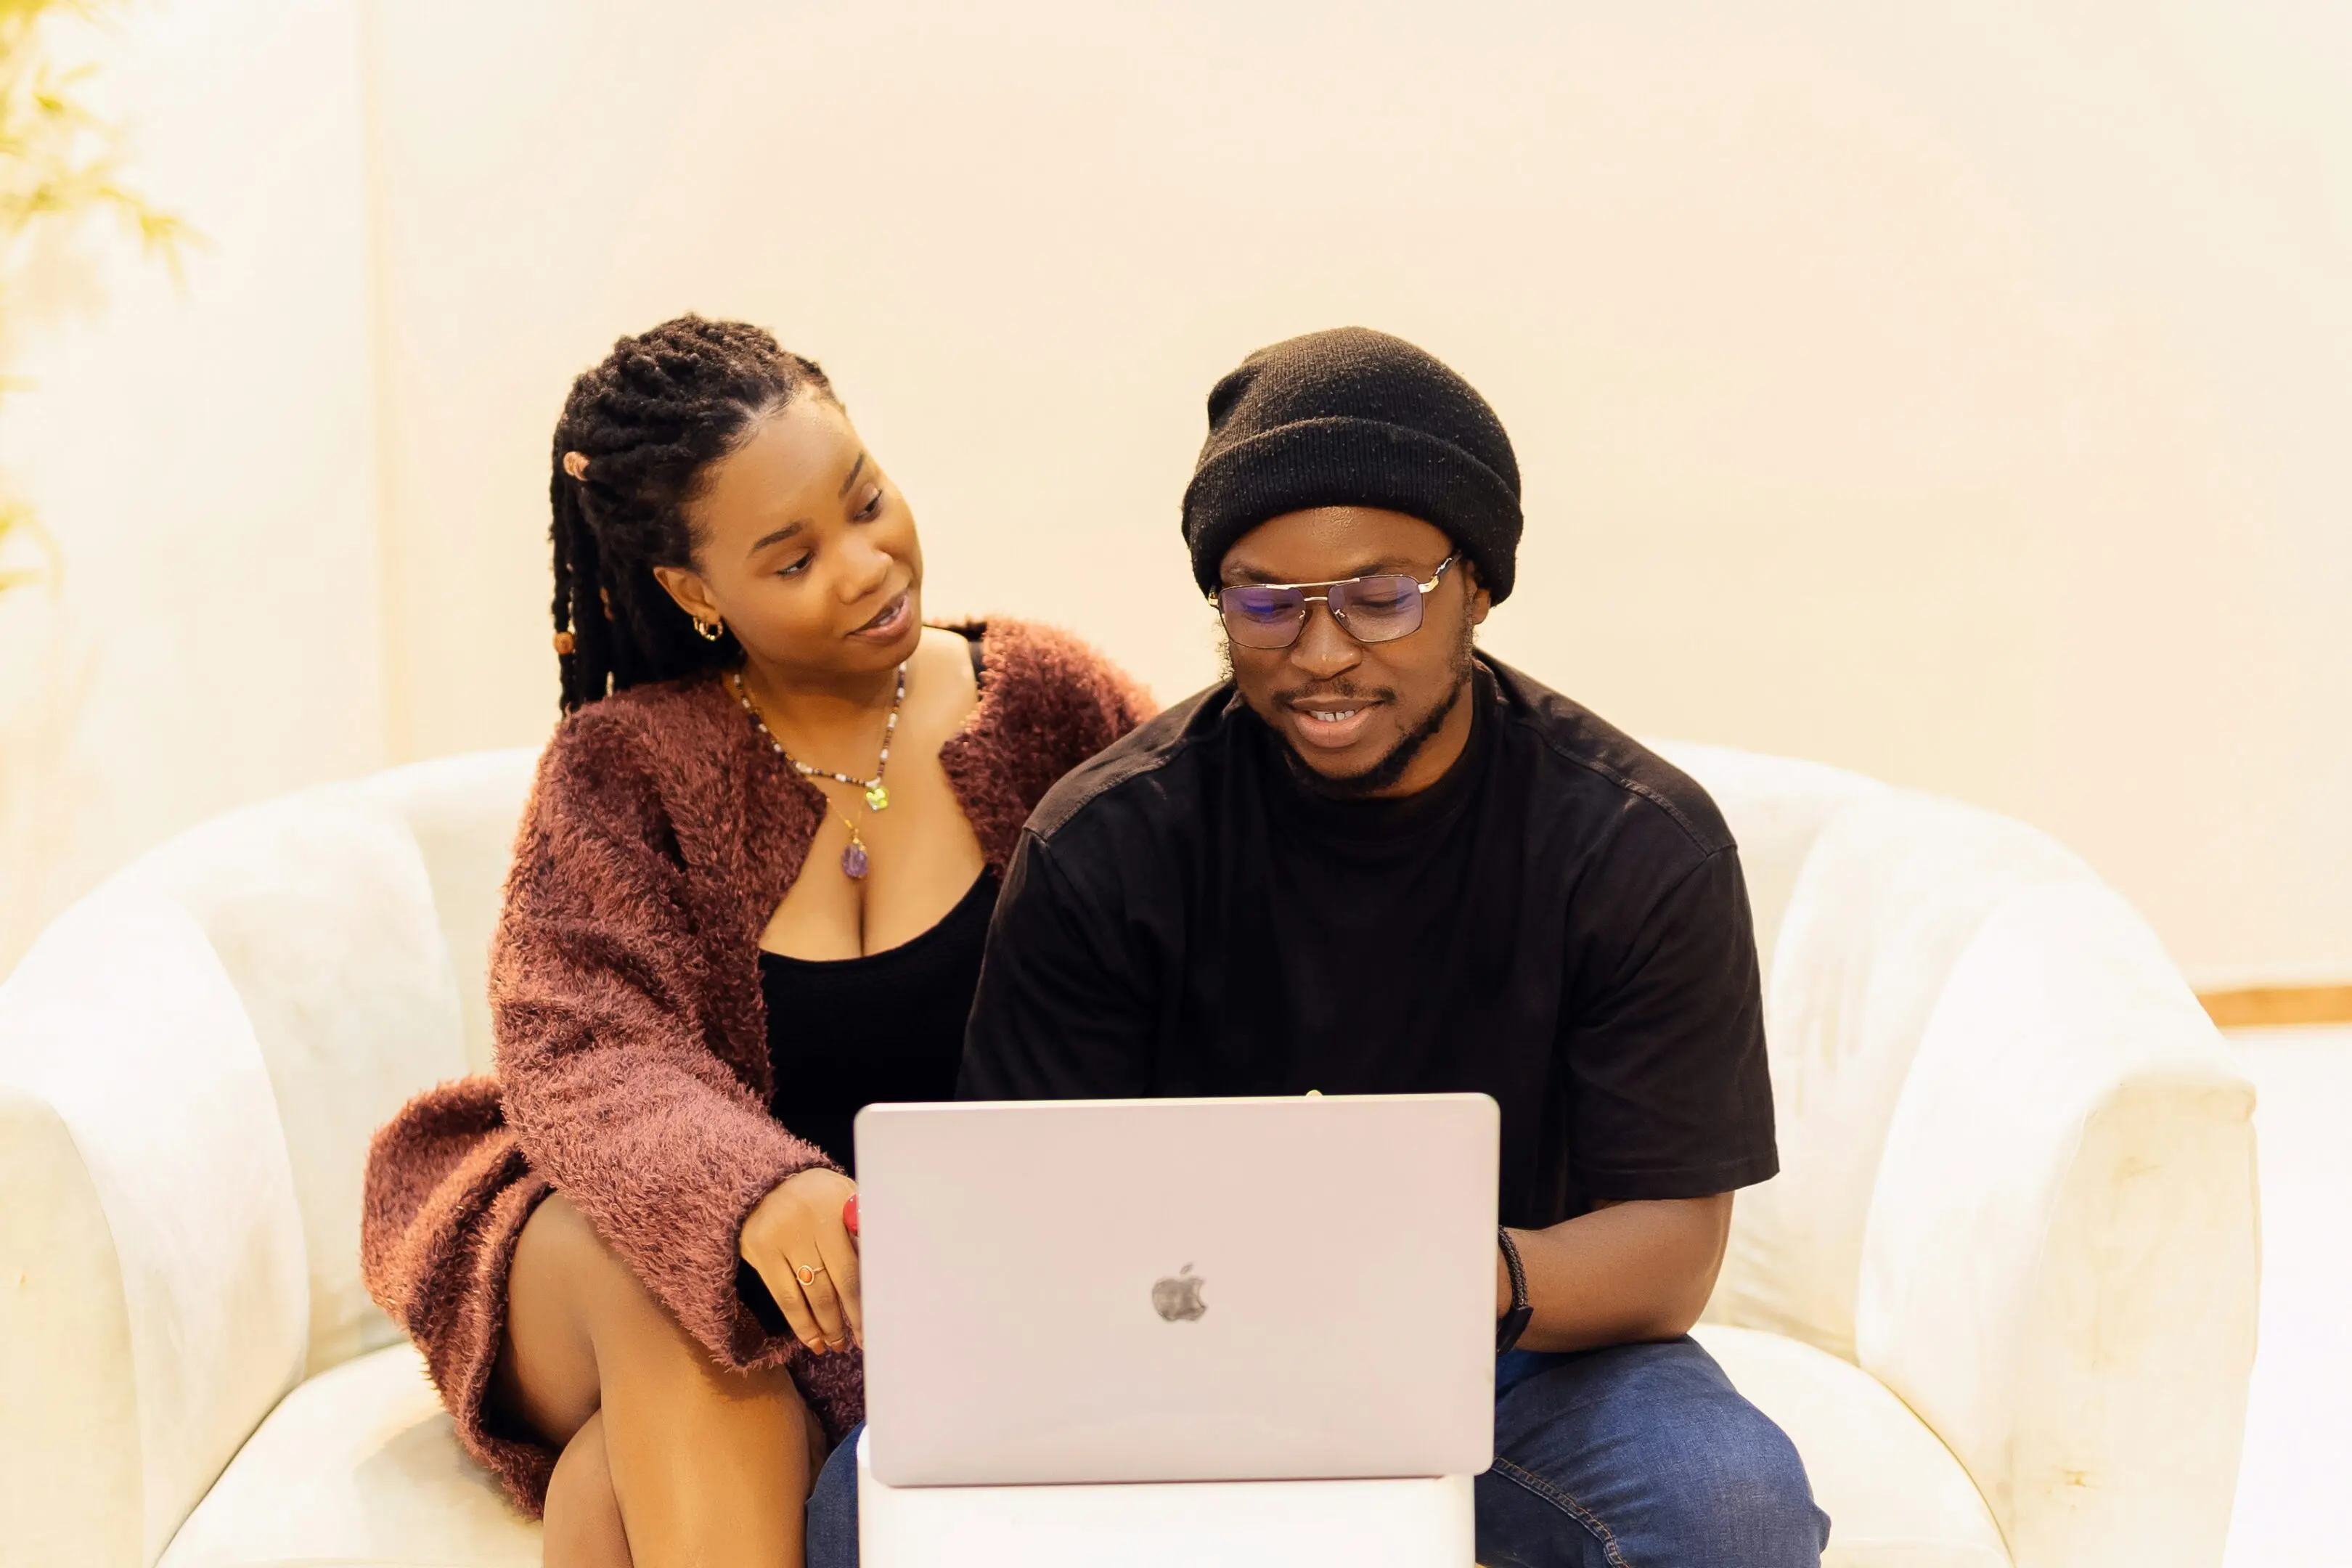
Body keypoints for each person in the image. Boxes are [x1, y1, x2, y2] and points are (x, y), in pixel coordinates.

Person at [950, 327, 1831, 1567]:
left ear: (1476, 583)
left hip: (1506, 1358)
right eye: (1265, 602)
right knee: (854, 1510)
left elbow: (1672, 1255)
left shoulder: (1637, 845)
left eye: (1380, 598)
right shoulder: (1105, 846)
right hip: (1166, 1359)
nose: (1321, 656)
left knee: (1726, 1505)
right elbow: (1020, 1217)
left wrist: (1448, 1278)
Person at [359, 315, 1150, 1568]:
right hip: (614, 1240)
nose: (866, 566)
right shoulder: (629, 764)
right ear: (692, 591)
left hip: (907, 1275)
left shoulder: (1048, 702)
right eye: (791, 559)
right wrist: (752, 1191)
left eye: (867, 501)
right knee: (679, 1282)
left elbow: (1203, 929)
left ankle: (614, 1488)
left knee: (611, 1501)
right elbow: (581, 1039)